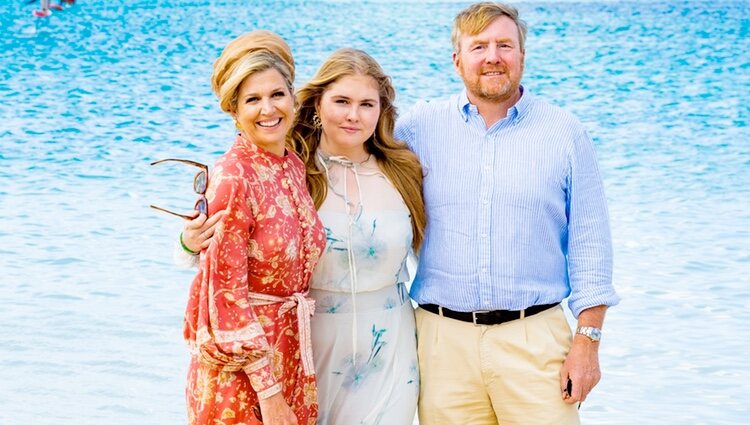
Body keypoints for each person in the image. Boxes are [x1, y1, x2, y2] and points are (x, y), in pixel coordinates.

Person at [393, 2, 620, 424]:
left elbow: (591, 243)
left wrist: (588, 342)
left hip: (537, 342)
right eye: (479, 46)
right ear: (457, 59)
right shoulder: (416, 128)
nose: (493, 57)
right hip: (441, 345)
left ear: (522, 56)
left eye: (505, 45)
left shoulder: (564, 132)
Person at [182, 48, 426, 424]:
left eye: (366, 104)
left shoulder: (401, 168)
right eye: (341, 101)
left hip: (390, 342)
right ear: (315, 103)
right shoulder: (296, 164)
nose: (353, 115)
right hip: (309, 344)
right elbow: (227, 262)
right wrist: (186, 243)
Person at [180, 30, 325, 425]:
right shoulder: (232, 176)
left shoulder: (292, 164)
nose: (268, 109)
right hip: (241, 376)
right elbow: (226, 297)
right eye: (253, 99)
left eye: (277, 94)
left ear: (293, 97)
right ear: (234, 110)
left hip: (292, 356)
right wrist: (270, 394)